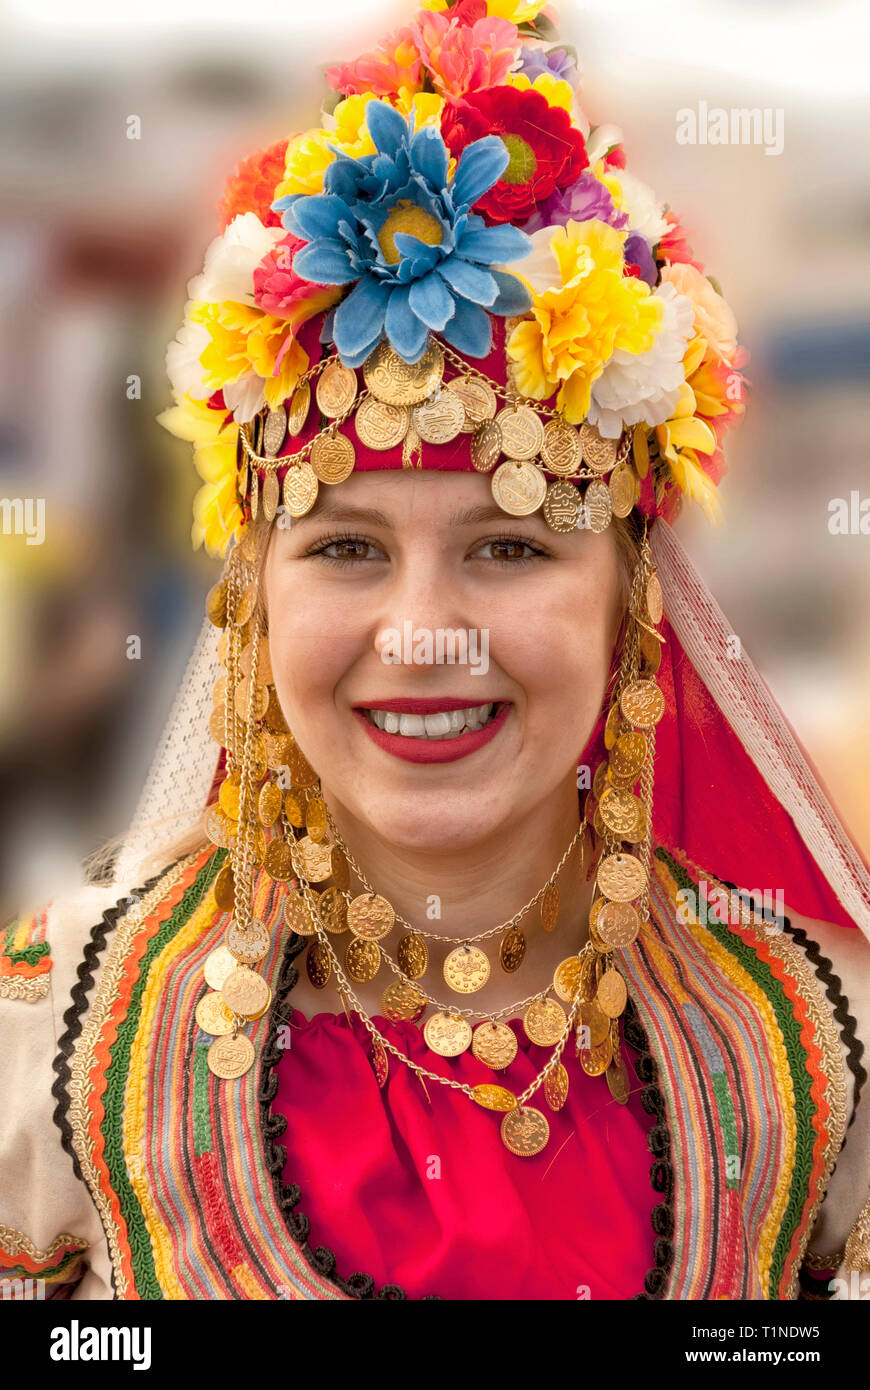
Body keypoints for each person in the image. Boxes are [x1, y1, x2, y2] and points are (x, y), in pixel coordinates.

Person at [2, 0, 869, 1303]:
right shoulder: (63, 1032)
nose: (420, 629)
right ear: (254, 599)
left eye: (511, 547)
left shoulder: (801, 1054)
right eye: (346, 547)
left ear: (628, 599)